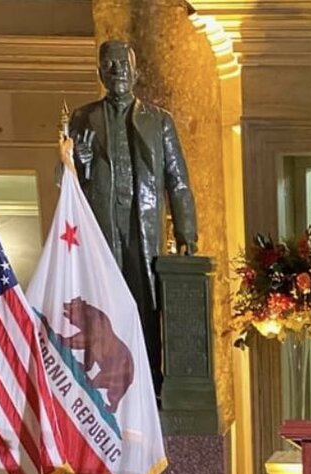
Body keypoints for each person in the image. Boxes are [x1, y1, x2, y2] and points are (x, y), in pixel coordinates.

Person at [70, 40, 198, 397]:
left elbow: (177, 181)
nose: (117, 72)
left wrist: (187, 232)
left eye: (123, 65)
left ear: (136, 72)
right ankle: (106, 383)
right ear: (100, 73)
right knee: (103, 303)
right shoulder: (82, 118)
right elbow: (63, 182)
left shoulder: (159, 121)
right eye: (110, 66)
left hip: (143, 227)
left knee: (145, 304)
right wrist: (78, 163)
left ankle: (149, 383)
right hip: (102, 226)